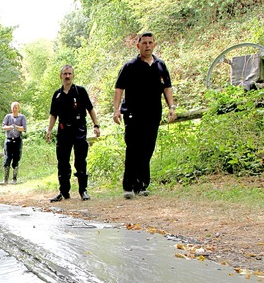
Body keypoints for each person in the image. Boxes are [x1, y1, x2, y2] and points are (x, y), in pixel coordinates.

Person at [113, 32, 176, 199]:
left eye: (150, 43)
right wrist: (116, 109)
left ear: (154, 45)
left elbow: (167, 88)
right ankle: (129, 186)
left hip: (153, 113)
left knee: (147, 149)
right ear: (138, 46)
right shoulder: (130, 66)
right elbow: (119, 88)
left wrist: (172, 107)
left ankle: (142, 185)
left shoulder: (161, 66)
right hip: (133, 114)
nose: (147, 45)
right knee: (133, 148)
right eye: (144, 43)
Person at [46, 65, 100, 201]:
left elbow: (90, 109)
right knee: (62, 162)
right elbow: (53, 114)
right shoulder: (57, 95)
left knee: (80, 161)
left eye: (70, 73)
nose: (67, 76)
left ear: (73, 75)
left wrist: (96, 125)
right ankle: (64, 192)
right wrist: (49, 130)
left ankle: (83, 190)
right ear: (61, 76)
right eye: (65, 74)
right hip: (63, 131)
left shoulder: (80, 91)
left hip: (79, 129)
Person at [1, 102, 27, 184]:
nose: (14, 109)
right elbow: (3, 127)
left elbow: (24, 129)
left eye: (16, 107)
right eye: (13, 107)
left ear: (18, 108)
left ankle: (14, 179)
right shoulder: (8, 116)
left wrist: (16, 127)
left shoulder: (22, 117)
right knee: (7, 159)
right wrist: (10, 127)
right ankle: (5, 180)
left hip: (17, 140)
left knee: (16, 158)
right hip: (8, 140)